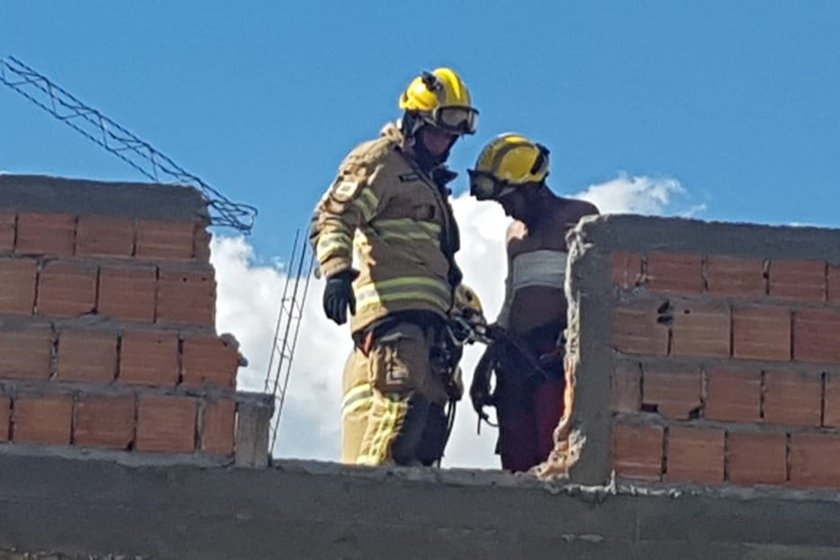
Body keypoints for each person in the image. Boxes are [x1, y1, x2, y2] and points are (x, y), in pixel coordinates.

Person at [309, 68, 479, 467]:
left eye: (452, 136)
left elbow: (431, 261)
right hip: (393, 326)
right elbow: (334, 217)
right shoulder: (381, 162)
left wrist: (465, 309)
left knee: (424, 443)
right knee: (392, 433)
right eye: (439, 133)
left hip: (430, 332)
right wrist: (336, 271)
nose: (446, 143)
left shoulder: (427, 182)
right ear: (414, 123)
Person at [467, 133, 599, 473]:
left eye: (509, 198)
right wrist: (487, 361)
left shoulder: (580, 219)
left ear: (531, 188)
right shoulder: (514, 235)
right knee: (517, 459)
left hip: (554, 362)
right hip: (515, 361)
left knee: (555, 450)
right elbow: (511, 298)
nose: (506, 208)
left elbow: (594, 295)